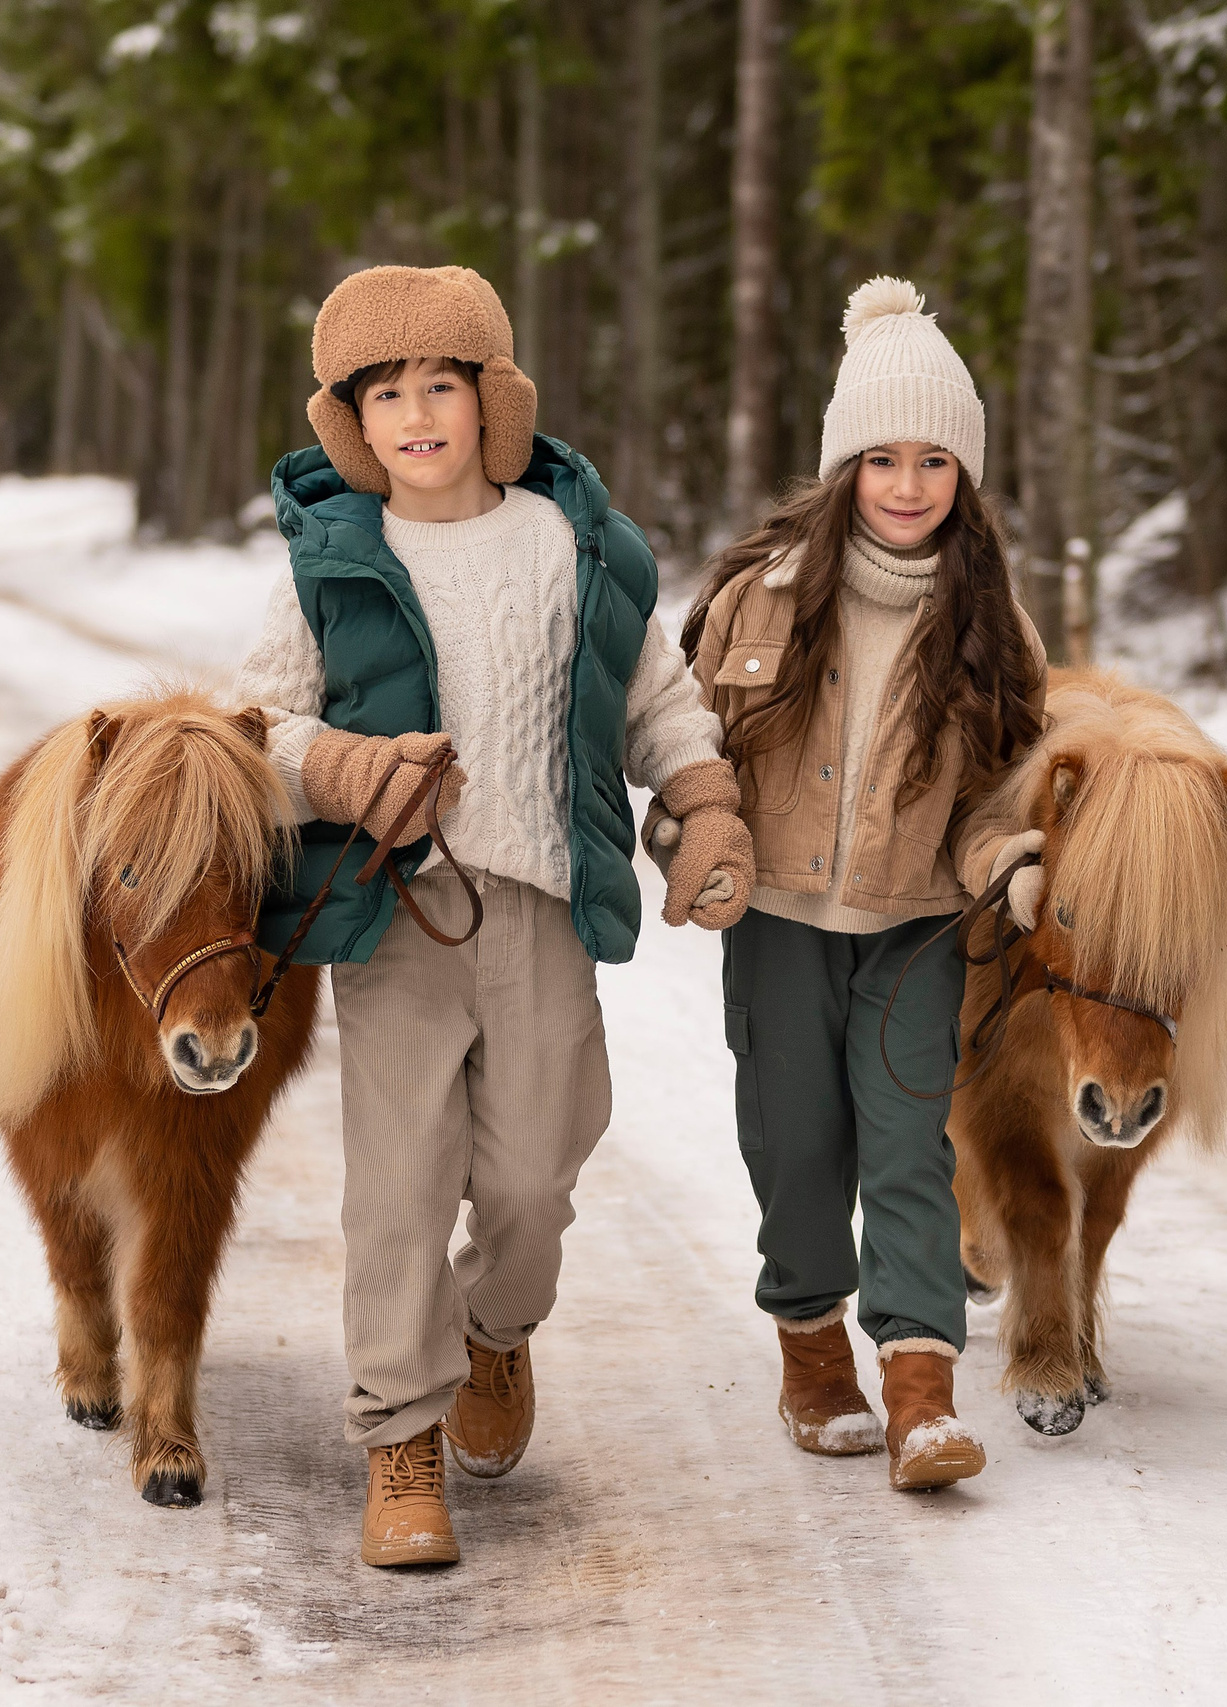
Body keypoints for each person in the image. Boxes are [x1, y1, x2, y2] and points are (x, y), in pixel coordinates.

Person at [238, 264, 753, 1568]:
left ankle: (495, 1330)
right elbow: (252, 725)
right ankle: (399, 1440)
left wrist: (705, 803)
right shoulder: (332, 562)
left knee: (533, 1176)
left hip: (541, 914)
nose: (416, 415)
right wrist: (342, 767)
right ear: (351, 416)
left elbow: (660, 705)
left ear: (491, 399)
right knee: (397, 1190)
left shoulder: (574, 549)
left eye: (441, 387)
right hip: (396, 915)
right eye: (386, 393)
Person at [658, 277, 1046, 1492]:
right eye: (882, 458)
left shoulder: (993, 627)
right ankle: (812, 1346)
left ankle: (921, 1391)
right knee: (797, 1148)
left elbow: (999, 797)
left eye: (936, 461)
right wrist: (692, 844)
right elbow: (686, 756)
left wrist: (1009, 863)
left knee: (907, 1150)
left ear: (965, 477)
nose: (908, 484)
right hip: (775, 921)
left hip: (916, 932)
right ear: (842, 466)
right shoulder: (754, 600)